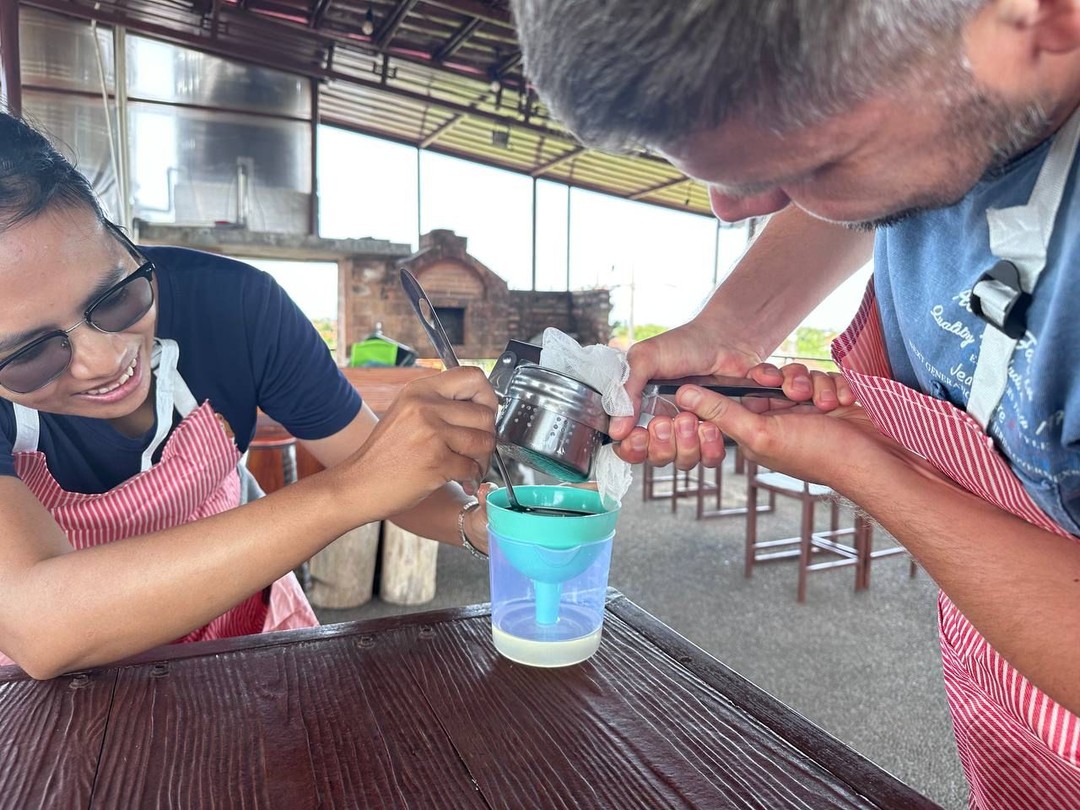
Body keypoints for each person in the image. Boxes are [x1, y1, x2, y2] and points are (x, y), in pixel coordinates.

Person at [511, 0, 1080, 806]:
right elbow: (894, 133)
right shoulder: (966, 79)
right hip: (1003, 688)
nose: (732, 209)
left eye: (814, 165)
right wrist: (727, 329)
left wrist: (870, 468)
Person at [0, 111, 498, 680]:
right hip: (73, 687)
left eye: (115, 298)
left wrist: (476, 523)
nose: (104, 360)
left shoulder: (237, 306)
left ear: (121, 238)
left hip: (245, 635)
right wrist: (351, 491)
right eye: (31, 353)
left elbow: (385, 469)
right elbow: (40, 623)